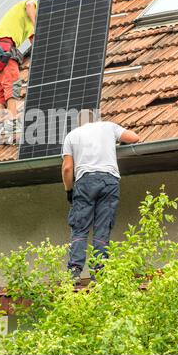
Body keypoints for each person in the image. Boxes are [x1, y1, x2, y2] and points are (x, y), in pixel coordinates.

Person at [61, 110, 139, 282]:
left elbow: (67, 168)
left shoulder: (72, 135)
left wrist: (69, 191)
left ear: (79, 122)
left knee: (80, 227)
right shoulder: (109, 127)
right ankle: (100, 272)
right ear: (97, 120)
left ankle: (74, 271)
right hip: (109, 181)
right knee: (103, 227)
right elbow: (134, 138)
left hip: (85, 182)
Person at [0, 0, 37, 139]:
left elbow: (35, 40)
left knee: (2, 87)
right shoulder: (32, 5)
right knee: (12, 83)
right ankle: (12, 121)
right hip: (3, 46)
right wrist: (36, 22)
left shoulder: (29, 25)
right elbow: (30, 5)